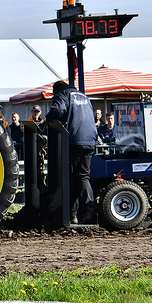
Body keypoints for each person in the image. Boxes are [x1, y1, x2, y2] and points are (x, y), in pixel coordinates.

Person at [46, 81, 98, 225]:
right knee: (84, 176)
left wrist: (48, 119)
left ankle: (71, 215)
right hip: (90, 140)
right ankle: (88, 211)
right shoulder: (83, 96)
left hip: (74, 140)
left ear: (56, 90)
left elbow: (57, 111)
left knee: (70, 177)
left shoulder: (63, 94)